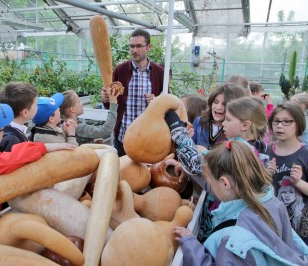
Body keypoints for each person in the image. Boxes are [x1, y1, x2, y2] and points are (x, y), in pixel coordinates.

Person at [162, 111, 308, 264]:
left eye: (210, 182)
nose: (209, 186)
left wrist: (191, 244)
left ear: (225, 183)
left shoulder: (232, 240)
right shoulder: (271, 202)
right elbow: (290, 244)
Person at [101, 28, 164, 156]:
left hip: (148, 135)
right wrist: (106, 99)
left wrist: (156, 101)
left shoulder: (159, 72)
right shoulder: (120, 70)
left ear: (148, 47)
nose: (134, 50)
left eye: (139, 46)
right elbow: (112, 100)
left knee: (145, 172)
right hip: (123, 134)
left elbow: (166, 102)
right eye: (132, 46)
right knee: (123, 170)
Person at [266, 101, 308, 243]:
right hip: (273, 224)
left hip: (301, 227)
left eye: (286, 122)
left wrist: (298, 182)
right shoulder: (268, 150)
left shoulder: (305, 153)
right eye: (276, 121)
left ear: (299, 124)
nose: (279, 125)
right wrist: (265, 175)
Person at [192, 83, 250, 150]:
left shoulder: (233, 130)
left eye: (224, 104)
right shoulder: (199, 121)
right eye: (216, 102)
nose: (218, 107)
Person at [222, 96, 269, 164]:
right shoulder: (264, 149)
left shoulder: (237, 152)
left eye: (228, 120)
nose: (223, 123)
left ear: (245, 125)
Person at [0, 82, 38, 152]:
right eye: (36, 105)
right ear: (25, 112)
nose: (37, 108)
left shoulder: (8, 130)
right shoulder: (11, 140)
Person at [277, 176, 308, 243]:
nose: (287, 195)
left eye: (291, 192)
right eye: (284, 192)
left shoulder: (303, 211)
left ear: (296, 194)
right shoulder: (279, 208)